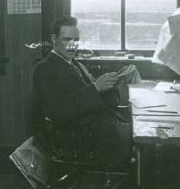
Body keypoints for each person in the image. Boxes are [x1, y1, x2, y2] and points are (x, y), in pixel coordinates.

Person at [32, 15, 132, 167]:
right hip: (74, 135)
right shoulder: (44, 69)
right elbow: (59, 113)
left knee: (141, 133)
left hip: (95, 125)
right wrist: (96, 87)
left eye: (76, 40)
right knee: (143, 141)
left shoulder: (76, 64)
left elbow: (98, 99)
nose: (73, 45)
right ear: (54, 38)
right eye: (67, 40)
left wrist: (113, 85)